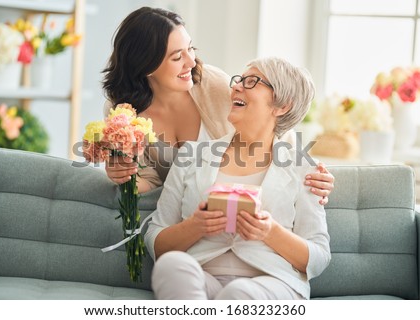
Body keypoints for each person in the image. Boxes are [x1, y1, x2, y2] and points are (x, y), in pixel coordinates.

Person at [102, 6, 334, 204]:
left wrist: (309, 175)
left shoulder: (212, 84)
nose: (191, 62)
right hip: (183, 211)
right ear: (146, 66)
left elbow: (273, 128)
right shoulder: (122, 112)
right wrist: (124, 176)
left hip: (236, 202)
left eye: (190, 49)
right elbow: (149, 183)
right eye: (176, 57)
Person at [144, 56, 331, 300]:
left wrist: (269, 232)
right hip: (201, 277)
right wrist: (195, 226)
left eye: (252, 81)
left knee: (239, 292)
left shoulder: (303, 168)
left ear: (282, 105)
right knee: (172, 266)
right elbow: (155, 239)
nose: (236, 87)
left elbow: (318, 257)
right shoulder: (192, 155)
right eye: (239, 80)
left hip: (273, 282)